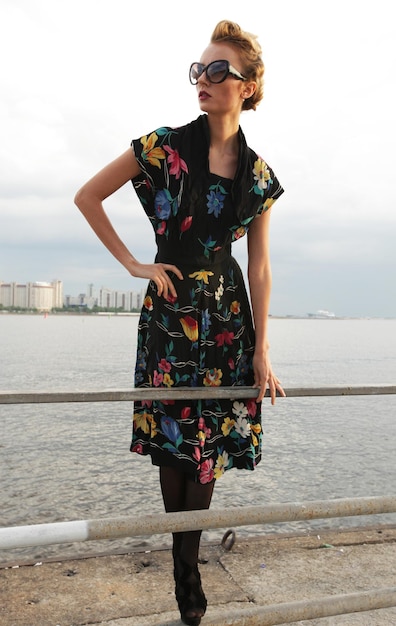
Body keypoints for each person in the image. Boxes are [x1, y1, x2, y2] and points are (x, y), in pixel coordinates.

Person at [75, 19, 285, 626]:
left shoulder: (259, 175)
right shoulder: (162, 147)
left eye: (219, 71)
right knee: (174, 444)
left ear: (247, 87)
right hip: (170, 314)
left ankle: (188, 563)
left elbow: (262, 266)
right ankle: (184, 569)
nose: (205, 79)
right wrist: (137, 264)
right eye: (199, 70)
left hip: (227, 320)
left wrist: (263, 347)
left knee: (208, 448)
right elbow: (88, 196)